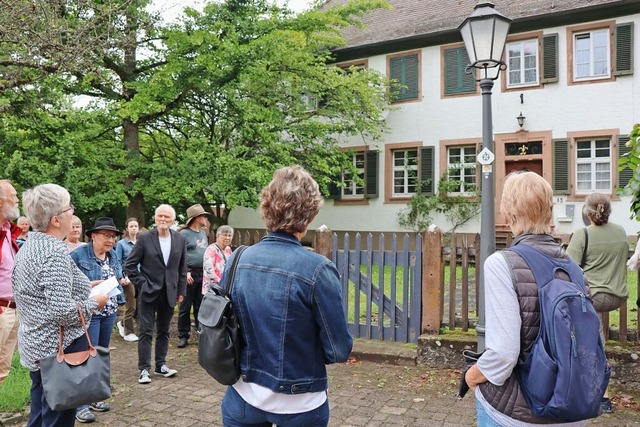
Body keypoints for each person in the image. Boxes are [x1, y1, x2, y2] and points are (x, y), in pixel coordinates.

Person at [221, 166, 353, 427]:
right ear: (310, 214)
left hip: (243, 396)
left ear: (267, 208)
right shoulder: (317, 269)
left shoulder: (237, 259)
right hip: (300, 403)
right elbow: (338, 349)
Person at [464, 171, 591, 426]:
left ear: (509, 213)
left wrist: (472, 376)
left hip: (516, 414)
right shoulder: (574, 267)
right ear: (549, 211)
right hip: (569, 407)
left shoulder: (502, 264)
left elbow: (503, 355)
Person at [12, 183, 108, 426]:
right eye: (69, 208)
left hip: (37, 346)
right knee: (57, 419)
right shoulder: (52, 253)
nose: (72, 213)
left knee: (40, 414)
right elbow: (63, 312)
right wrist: (94, 303)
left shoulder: (30, 246)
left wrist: (85, 285)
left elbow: (41, 294)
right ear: (56, 219)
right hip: (57, 349)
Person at [566, 192, 628, 414]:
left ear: (588, 212)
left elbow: (568, 269)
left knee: (591, 341)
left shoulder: (584, 234)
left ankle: (602, 395)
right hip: (618, 296)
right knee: (595, 334)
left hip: (593, 298)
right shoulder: (621, 231)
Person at [124, 204, 187, 384]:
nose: (163, 219)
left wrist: (181, 290)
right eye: (160, 216)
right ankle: (144, 369)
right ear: (155, 218)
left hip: (169, 293)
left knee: (164, 331)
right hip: (148, 292)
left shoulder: (180, 239)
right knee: (145, 331)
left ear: (173, 220)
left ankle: (161, 365)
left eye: (167, 217)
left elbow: (182, 268)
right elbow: (129, 265)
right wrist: (142, 284)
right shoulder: (144, 238)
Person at [70, 217, 124, 423]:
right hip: (89, 314)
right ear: (93, 236)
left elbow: (117, 278)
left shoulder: (112, 255)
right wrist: (88, 287)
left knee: (100, 355)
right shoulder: (78, 255)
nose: (110, 240)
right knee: (85, 356)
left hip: (109, 312)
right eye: (105, 235)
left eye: (112, 236)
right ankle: (80, 405)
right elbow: (68, 284)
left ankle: (94, 397)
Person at [177, 204, 210, 348]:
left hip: (201, 273)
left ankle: (201, 333)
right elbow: (179, 256)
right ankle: (183, 336)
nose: (205, 218)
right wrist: (185, 272)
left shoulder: (202, 233)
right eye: (203, 216)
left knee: (199, 305)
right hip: (188, 274)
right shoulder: (184, 234)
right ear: (197, 218)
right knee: (185, 307)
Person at [0, 180, 21, 385]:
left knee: (3, 370)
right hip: (1, 310)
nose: (17, 199)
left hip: (13, 310)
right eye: (13, 196)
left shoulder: (8, 231)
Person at [115, 218, 140, 342]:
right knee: (131, 305)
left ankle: (123, 323)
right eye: (131, 226)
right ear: (127, 229)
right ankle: (128, 332)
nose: (134, 228)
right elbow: (117, 262)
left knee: (140, 305)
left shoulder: (141, 243)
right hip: (127, 278)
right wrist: (120, 277)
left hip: (140, 277)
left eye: (136, 226)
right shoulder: (121, 244)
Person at [202, 225, 234, 295]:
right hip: (212, 289)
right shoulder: (211, 249)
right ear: (218, 236)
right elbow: (209, 270)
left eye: (230, 235)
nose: (227, 238)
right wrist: (221, 283)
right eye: (225, 235)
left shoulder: (228, 249)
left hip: (224, 288)